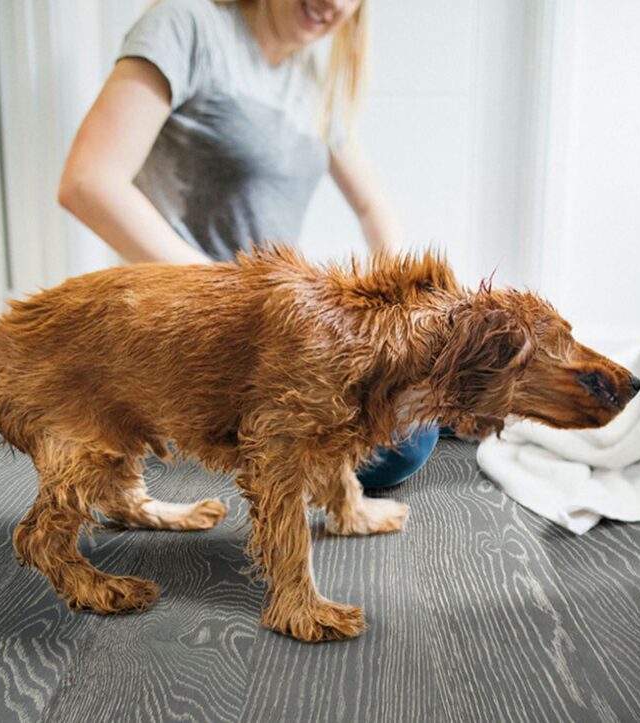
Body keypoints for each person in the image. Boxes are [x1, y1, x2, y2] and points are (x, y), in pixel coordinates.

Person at [58, 0, 438, 486]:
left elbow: (372, 208)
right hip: (200, 336)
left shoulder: (311, 78)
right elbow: (89, 182)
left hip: (270, 327)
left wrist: (399, 312)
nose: (335, 4)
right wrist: (224, 292)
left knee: (445, 377)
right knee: (404, 441)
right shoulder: (186, 25)